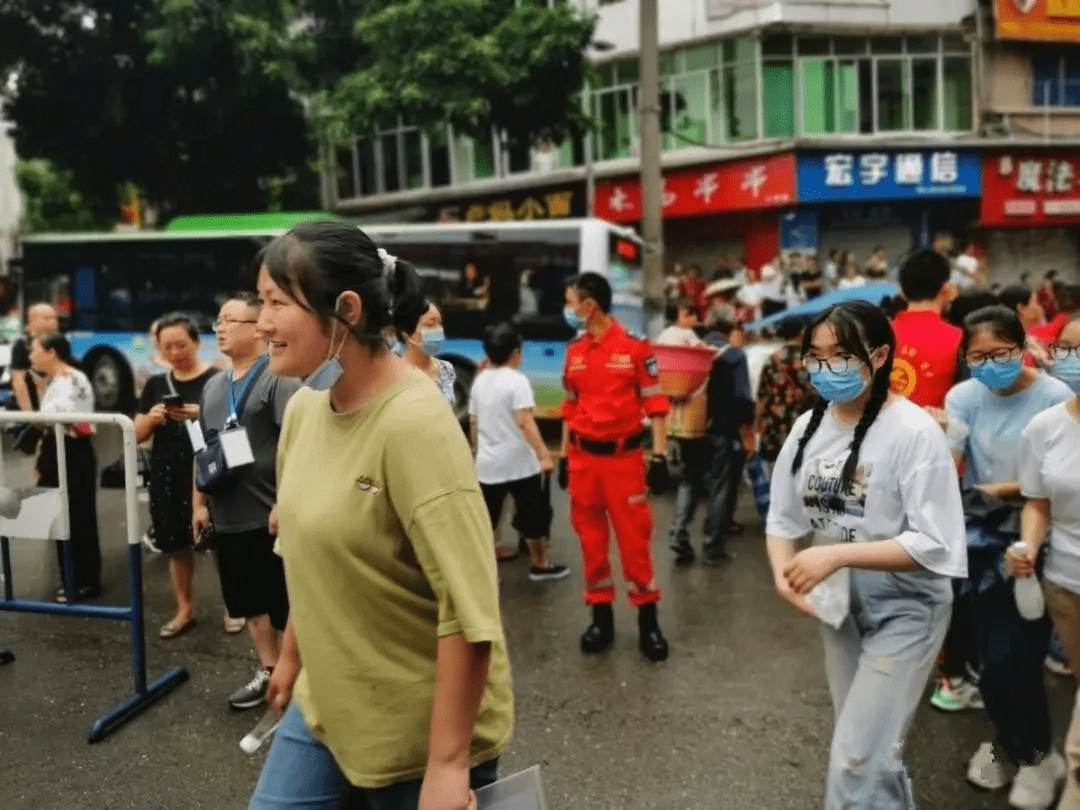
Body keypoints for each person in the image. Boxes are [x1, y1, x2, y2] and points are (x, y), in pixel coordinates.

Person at [249, 221, 511, 809]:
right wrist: (290, 658)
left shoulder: (414, 424)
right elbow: (303, 551)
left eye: (275, 303)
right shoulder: (304, 410)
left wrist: (446, 766)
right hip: (325, 704)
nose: (259, 321)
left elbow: (468, 607)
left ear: (345, 309)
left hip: (418, 731)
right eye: (258, 301)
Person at [766, 300, 967, 810]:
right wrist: (781, 574)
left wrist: (837, 557)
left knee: (857, 755)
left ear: (878, 357)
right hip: (837, 608)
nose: (824, 369)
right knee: (870, 748)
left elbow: (936, 543)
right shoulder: (807, 427)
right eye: (815, 357)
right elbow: (783, 519)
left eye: (841, 355)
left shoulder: (914, 432)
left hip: (907, 606)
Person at [943, 305, 1071, 806]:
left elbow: (1053, 479)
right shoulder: (963, 397)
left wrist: (998, 490)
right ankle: (1011, 742)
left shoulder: (1054, 397)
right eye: (978, 356)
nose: (990, 364)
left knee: (1012, 656)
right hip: (977, 540)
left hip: (1037, 537)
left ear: (1023, 349)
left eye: (1001, 354)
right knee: (984, 662)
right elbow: (951, 462)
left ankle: (1037, 756)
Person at [192, 293, 299, 710]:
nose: (219, 327)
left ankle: (299, 679)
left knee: (283, 604)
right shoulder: (214, 385)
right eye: (217, 320)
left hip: (268, 515)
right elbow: (199, 445)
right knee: (247, 603)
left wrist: (285, 501)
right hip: (227, 515)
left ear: (256, 328)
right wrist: (198, 503)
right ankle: (269, 671)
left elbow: (298, 442)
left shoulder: (277, 378)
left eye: (228, 320)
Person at [559, 272, 671, 662]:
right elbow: (570, 407)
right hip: (582, 461)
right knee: (591, 545)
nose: (568, 309)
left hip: (623, 462)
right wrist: (561, 456)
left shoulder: (636, 348)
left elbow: (656, 405)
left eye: (571, 301)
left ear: (590, 305)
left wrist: (659, 456)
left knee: (635, 544)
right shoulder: (574, 353)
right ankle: (600, 618)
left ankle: (648, 622)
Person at [1011, 313, 1080, 809]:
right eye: (1070, 350)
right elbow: (1037, 502)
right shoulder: (1045, 427)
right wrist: (1029, 548)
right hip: (1065, 583)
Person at [134, 313, 220, 639]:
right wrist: (154, 418)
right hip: (168, 473)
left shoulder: (216, 381)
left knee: (218, 543)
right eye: (166, 346)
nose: (174, 352)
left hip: (208, 470)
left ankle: (235, 608)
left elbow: (234, 428)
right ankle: (184, 608)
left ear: (196, 342)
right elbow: (136, 433)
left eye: (181, 344)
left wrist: (202, 413)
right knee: (175, 543)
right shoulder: (157, 384)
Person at [469, 323, 568, 582]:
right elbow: (525, 421)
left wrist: (475, 454)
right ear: (516, 353)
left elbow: (474, 423)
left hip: (488, 465)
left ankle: (480, 569)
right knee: (532, 514)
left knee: (487, 518)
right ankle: (541, 565)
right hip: (519, 464)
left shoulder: (479, 382)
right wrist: (544, 454)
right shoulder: (518, 380)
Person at [668, 314, 753, 565]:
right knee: (719, 488)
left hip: (690, 428)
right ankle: (713, 547)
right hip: (721, 430)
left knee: (689, 482)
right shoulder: (734, 356)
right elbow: (741, 398)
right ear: (730, 330)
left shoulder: (692, 353)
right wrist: (744, 429)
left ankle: (678, 534)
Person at [31, 331, 100, 603]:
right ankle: (71, 578)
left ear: (51, 352)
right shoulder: (59, 380)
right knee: (59, 516)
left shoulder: (70, 379)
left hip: (72, 452)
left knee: (77, 516)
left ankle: (83, 581)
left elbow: (56, 418)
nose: (31, 356)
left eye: (35, 349)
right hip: (58, 451)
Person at [754, 316, 815, 479]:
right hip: (802, 424)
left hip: (774, 424)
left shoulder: (772, 359)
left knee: (777, 474)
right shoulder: (809, 359)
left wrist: (757, 423)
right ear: (800, 333)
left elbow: (762, 395)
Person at [394, 296, 455, 406]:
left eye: (440, 324)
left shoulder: (446, 369)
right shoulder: (394, 375)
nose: (438, 330)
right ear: (407, 333)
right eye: (430, 324)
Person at [11, 302, 59, 413]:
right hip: (30, 408)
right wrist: (29, 414)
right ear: (32, 321)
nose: (53, 322)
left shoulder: (59, 343)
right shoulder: (23, 345)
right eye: (47, 318)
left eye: (55, 318)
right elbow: (18, 381)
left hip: (54, 408)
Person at [135, 319, 171, 397]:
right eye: (154, 334)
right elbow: (141, 399)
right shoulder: (144, 370)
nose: (156, 337)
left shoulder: (184, 364)